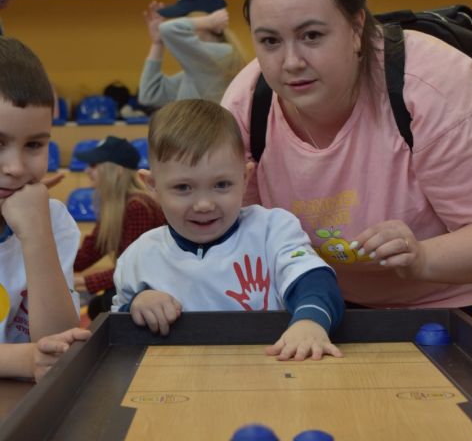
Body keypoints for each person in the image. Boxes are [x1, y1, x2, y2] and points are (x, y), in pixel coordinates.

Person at [221, 0, 472, 316]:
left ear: (357, 27)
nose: (291, 61)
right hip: (318, 304)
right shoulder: (246, 105)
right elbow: (235, 234)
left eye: (312, 35)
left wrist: (421, 258)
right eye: (270, 41)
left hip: (450, 306)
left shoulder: (436, 88)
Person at [112, 99, 345, 361]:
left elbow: (314, 281)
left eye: (221, 184)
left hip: (271, 377)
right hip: (182, 386)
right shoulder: (138, 258)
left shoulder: (272, 230)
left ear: (245, 178)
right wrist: (137, 306)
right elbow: (117, 332)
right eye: (183, 188)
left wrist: (310, 323)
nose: (204, 204)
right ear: (152, 185)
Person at [0, 36, 90, 381]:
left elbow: (58, 343)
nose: (16, 167)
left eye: (34, 144)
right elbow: (38, 356)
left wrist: (36, 235)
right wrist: (24, 360)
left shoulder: (51, 220)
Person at [73, 136, 166, 320]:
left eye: (93, 165)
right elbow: (85, 257)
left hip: (156, 286)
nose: (87, 171)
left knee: (104, 304)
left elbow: (136, 269)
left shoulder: (137, 206)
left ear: (116, 171)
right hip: (140, 283)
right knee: (98, 306)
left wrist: (85, 282)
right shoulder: (114, 207)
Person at [138, 0, 246, 107]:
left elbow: (168, 29)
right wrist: (157, 43)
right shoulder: (194, 72)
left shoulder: (224, 55)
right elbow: (149, 95)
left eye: (184, 18)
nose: (181, 22)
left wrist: (209, 22)